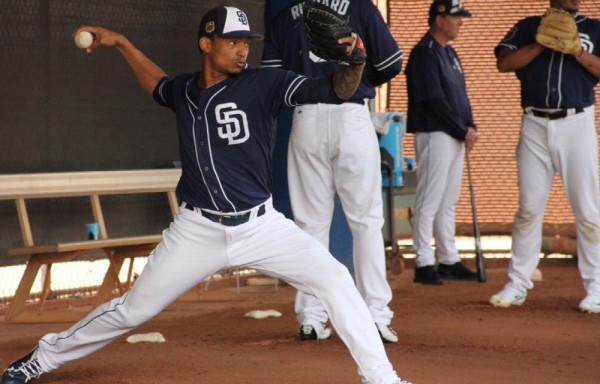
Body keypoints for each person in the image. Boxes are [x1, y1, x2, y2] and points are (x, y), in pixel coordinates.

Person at [0, 6, 412, 384]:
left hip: (261, 226)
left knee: (336, 278)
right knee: (134, 309)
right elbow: (158, 85)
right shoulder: (184, 91)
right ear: (206, 44)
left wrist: (355, 63)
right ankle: (44, 356)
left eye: (245, 42)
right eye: (232, 41)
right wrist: (123, 43)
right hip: (197, 230)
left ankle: (382, 378)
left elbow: (334, 90)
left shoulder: (265, 83)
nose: (241, 51)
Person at [261, 0, 403, 343]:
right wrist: (357, 66)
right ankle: (375, 316)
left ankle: (311, 317)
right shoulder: (361, 7)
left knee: (311, 224)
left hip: (305, 118)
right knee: (366, 222)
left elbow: (270, 79)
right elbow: (390, 65)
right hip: (352, 116)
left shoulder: (285, 15)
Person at [489, 0, 600, 313]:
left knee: (589, 211)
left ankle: (597, 287)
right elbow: (505, 62)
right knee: (528, 208)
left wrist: (575, 50)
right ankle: (517, 283)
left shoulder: (593, 29)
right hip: (534, 124)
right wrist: (541, 43)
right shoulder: (528, 26)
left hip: (577, 123)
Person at [405, 0, 479, 285]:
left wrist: (470, 126)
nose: (460, 22)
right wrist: (462, 130)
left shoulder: (450, 53)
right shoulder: (424, 53)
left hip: (454, 134)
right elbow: (433, 100)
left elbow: (460, 96)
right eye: (456, 17)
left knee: (448, 200)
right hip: (435, 133)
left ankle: (448, 259)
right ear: (439, 19)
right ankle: (423, 262)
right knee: (430, 198)